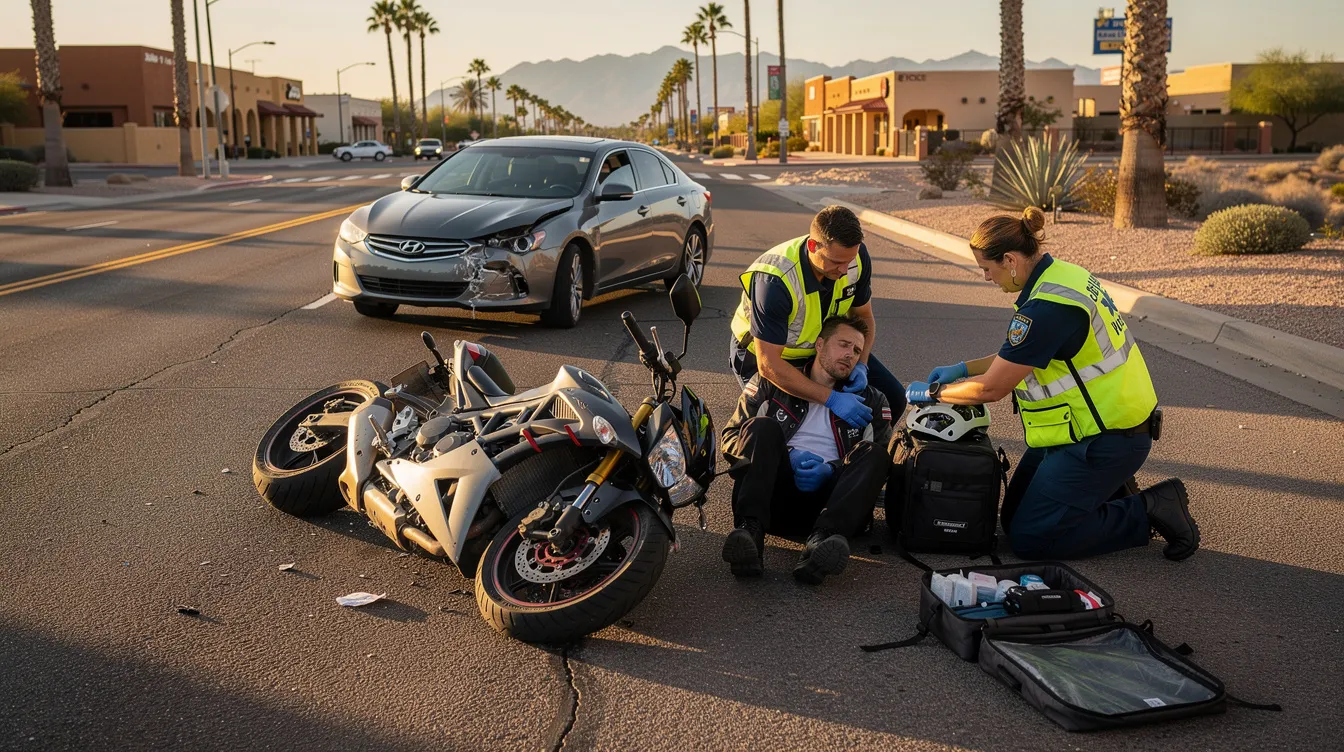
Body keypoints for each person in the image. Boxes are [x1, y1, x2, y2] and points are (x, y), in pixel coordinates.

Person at [903, 207, 1199, 562]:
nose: (986, 278)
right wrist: (961, 368)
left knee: (1034, 540)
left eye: (987, 268)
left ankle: (1150, 509)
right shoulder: (1062, 277)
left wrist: (934, 393)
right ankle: (1106, 491)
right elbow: (1018, 357)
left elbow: (991, 389)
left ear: (1010, 259)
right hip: (1074, 430)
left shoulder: (1046, 309)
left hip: (1107, 438)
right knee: (1013, 521)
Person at [720, 314, 894, 584]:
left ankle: (820, 548)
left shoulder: (871, 400)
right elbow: (731, 438)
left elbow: (880, 466)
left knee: (876, 453)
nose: (850, 355)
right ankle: (749, 534)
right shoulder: (771, 383)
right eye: (844, 344)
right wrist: (787, 457)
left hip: (832, 506)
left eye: (857, 351)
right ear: (820, 345)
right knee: (761, 427)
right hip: (772, 500)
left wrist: (832, 470)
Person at [729, 205, 906, 430]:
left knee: (892, 399)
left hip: (822, 347)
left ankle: (854, 461)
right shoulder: (775, 281)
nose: (844, 269)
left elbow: (864, 318)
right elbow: (769, 364)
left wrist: (861, 365)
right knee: (780, 428)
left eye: (848, 260)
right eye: (835, 262)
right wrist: (831, 398)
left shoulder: (855, 257)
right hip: (767, 355)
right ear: (813, 246)